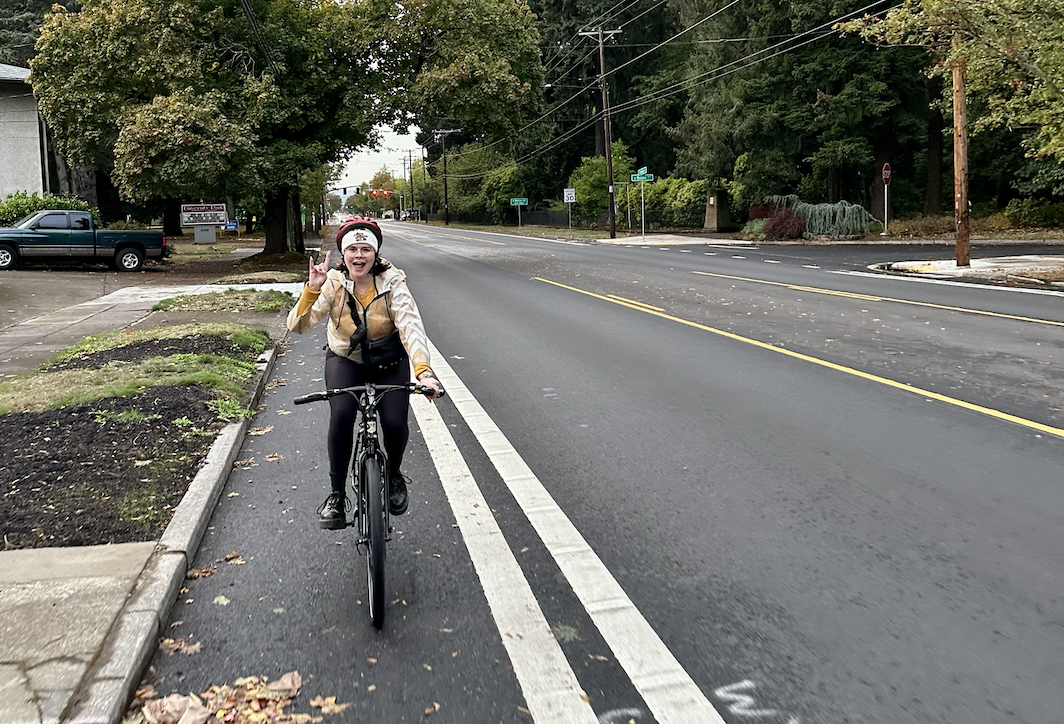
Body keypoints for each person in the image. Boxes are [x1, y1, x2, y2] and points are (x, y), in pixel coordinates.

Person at [286, 220, 442, 529]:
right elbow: (298, 326)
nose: (359, 256)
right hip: (346, 360)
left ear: (375, 254)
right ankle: (336, 495)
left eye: (366, 249)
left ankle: (394, 475)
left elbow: (411, 327)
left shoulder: (392, 282)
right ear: (343, 255)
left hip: (388, 360)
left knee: (396, 422)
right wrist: (312, 290)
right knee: (342, 415)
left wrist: (423, 372)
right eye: (353, 250)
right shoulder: (331, 283)